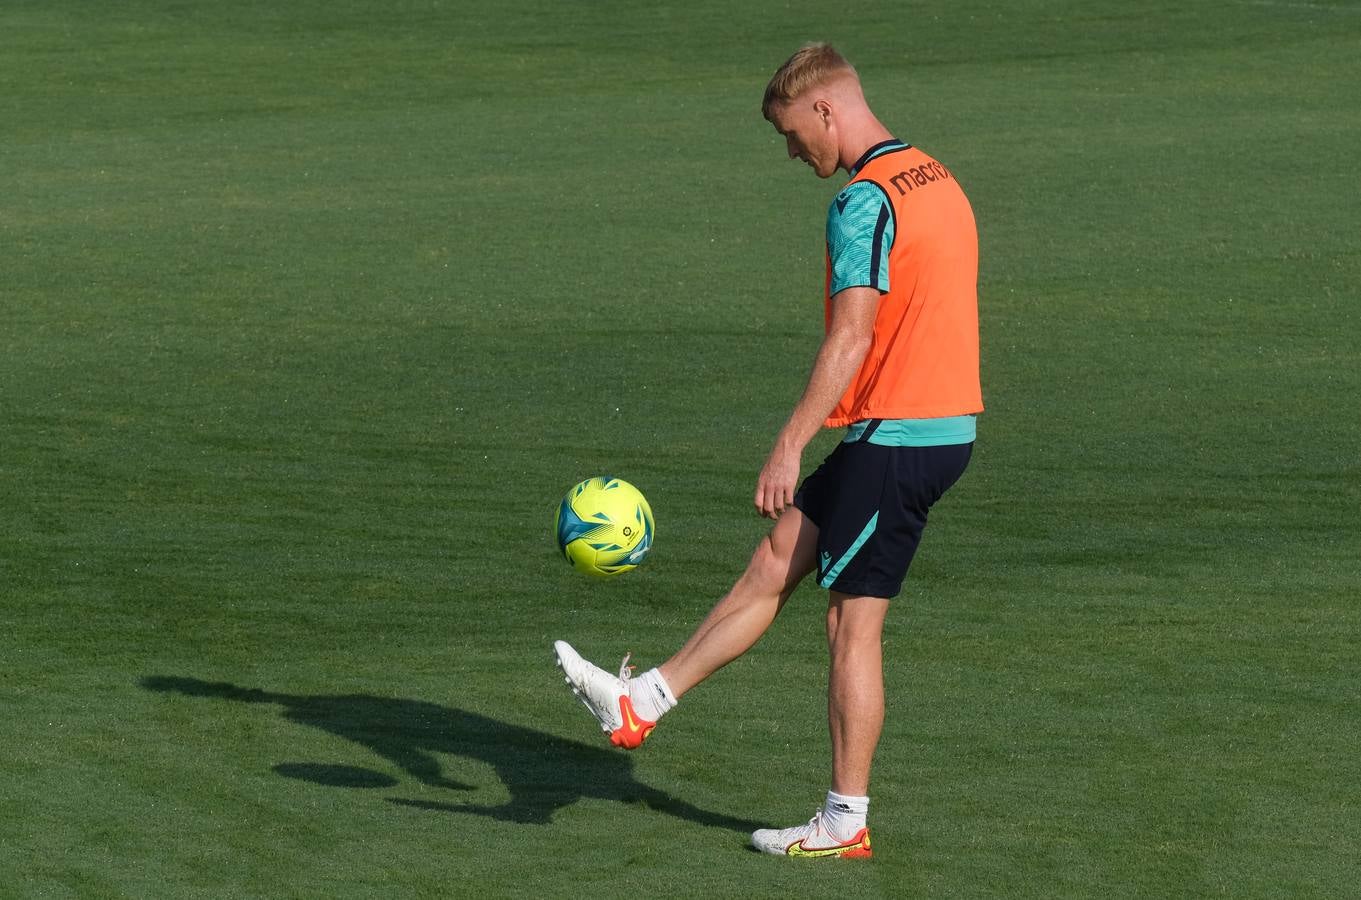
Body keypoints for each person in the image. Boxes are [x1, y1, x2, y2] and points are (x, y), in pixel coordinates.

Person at [553, 42, 982, 859]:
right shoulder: (930, 173)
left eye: (792, 134)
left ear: (825, 109)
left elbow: (852, 334)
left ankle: (843, 821)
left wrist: (788, 445)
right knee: (777, 558)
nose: (793, 153)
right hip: (931, 425)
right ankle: (641, 700)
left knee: (850, 627)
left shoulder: (863, 202)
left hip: (898, 435)